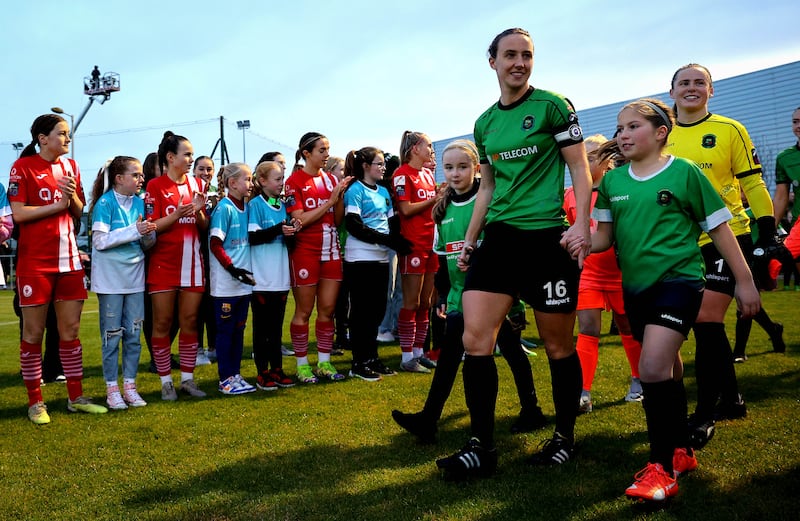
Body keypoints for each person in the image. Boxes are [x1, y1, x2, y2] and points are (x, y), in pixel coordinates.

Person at [580, 98, 759, 502]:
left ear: (661, 132)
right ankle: (682, 449)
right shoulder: (611, 183)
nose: (622, 135)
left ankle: (660, 469)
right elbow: (604, 239)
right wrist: (577, 242)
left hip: (680, 283)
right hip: (636, 290)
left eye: (632, 127)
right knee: (669, 368)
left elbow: (720, 231)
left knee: (652, 368)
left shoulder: (685, 173)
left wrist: (745, 281)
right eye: (619, 128)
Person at [435, 29, 592, 480]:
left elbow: (579, 166)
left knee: (558, 345)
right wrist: (470, 238)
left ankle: (564, 437)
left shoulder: (553, 105)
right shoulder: (484, 123)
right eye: (510, 55)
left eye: (527, 55)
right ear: (493, 62)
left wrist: (580, 223)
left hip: (547, 241)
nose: (519, 63)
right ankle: (481, 447)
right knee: (474, 340)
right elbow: (488, 185)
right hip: (499, 240)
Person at [393, 139, 547, 446]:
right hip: (459, 297)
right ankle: (428, 419)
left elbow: (506, 247)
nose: (455, 173)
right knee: (450, 355)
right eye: (448, 168)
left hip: (494, 294)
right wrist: (442, 296)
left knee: (512, 351)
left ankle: (531, 409)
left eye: (462, 167)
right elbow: (441, 260)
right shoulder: (443, 207)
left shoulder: (491, 200)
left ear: (477, 168)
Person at [667, 63, 779, 447]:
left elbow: (753, 182)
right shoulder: (660, 134)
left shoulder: (730, 130)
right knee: (706, 325)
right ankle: (732, 399)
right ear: (672, 93)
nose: (692, 88)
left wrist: (767, 228)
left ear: (711, 91)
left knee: (706, 316)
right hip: (680, 243)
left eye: (700, 82)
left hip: (728, 235)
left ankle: (703, 414)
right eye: (685, 83)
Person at [9, 114, 108, 424]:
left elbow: (78, 211)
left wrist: (72, 198)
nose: (68, 139)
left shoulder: (71, 167)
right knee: (34, 332)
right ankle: (35, 402)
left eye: (68, 134)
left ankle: (75, 397)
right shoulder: (22, 168)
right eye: (62, 134)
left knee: (71, 332)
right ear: (42, 138)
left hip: (69, 263)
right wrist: (56, 205)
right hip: (35, 264)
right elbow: (19, 214)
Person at [564, 134, 643, 412]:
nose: (587, 160)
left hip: (622, 273)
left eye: (594, 154)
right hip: (588, 273)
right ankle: (583, 392)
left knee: (628, 327)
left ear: (607, 158)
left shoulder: (620, 186)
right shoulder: (571, 194)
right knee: (588, 329)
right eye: (583, 155)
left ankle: (638, 380)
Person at [144, 131, 209, 401]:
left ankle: (188, 379)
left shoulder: (197, 185)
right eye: (187, 154)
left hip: (192, 263)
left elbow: (203, 226)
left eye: (192, 154)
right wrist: (178, 214)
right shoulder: (155, 187)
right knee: (162, 322)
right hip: (163, 264)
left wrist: (200, 212)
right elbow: (151, 226)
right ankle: (165, 381)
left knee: (191, 322)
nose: (191, 159)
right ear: (171, 158)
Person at [89, 156, 156, 409]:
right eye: (136, 175)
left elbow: (145, 242)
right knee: (111, 337)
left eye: (141, 175)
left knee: (134, 335)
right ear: (119, 179)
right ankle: (111, 390)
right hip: (110, 282)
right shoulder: (104, 204)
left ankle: (130, 386)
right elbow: (100, 242)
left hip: (135, 280)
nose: (141, 179)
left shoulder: (140, 203)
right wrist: (135, 231)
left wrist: (149, 235)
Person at [284, 132, 351, 383]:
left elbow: (336, 219)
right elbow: (299, 219)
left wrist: (340, 197)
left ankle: (324, 362)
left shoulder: (331, 178)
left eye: (328, 149)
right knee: (303, 310)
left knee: (328, 310)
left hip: (331, 249)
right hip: (305, 251)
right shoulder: (294, 181)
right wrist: (329, 201)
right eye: (321, 150)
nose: (326, 155)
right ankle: (302, 365)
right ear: (306, 154)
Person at [342, 147, 411, 381]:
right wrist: (385, 240)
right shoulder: (355, 190)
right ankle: (358, 362)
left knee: (377, 310)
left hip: (381, 257)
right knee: (362, 312)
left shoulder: (383, 191)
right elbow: (353, 224)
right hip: (360, 257)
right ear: (365, 166)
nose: (383, 168)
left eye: (383, 164)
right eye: (378, 163)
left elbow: (392, 223)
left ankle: (372, 358)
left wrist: (398, 241)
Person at [392, 131, 442, 373]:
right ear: (415, 149)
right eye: (428, 145)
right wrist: (435, 199)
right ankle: (406, 356)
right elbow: (406, 209)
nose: (431, 150)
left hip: (430, 243)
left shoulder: (427, 174)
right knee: (411, 302)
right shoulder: (402, 175)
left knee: (426, 302)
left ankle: (419, 352)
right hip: (413, 244)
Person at [208, 163, 257, 395]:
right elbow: (215, 244)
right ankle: (225, 379)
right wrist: (232, 268)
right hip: (226, 284)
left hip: (242, 283)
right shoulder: (224, 208)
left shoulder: (246, 207)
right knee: (226, 331)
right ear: (232, 183)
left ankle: (235, 374)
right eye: (247, 179)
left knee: (239, 330)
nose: (251, 183)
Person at [248, 160, 297, 390]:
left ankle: (277, 369)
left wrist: (291, 233)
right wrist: (279, 229)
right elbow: (254, 237)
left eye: (282, 179)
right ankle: (262, 372)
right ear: (262, 181)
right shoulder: (255, 204)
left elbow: (290, 243)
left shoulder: (283, 205)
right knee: (262, 329)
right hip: (261, 278)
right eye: (277, 179)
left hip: (280, 277)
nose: (281, 183)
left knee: (277, 329)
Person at [193, 155, 217, 366]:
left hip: (213, 257)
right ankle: (197, 350)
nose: (205, 173)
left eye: (209, 169)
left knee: (213, 304)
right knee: (197, 306)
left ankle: (213, 347)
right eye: (201, 168)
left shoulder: (217, 196)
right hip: (194, 254)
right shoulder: (190, 192)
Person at [327, 156, 350, 355]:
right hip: (333, 249)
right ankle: (333, 338)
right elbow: (336, 219)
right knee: (334, 300)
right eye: (340, 169)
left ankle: (342, 335)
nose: (343, 173)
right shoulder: (329, 195)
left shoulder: (345, 193)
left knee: (344, 300)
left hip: (344, 248)